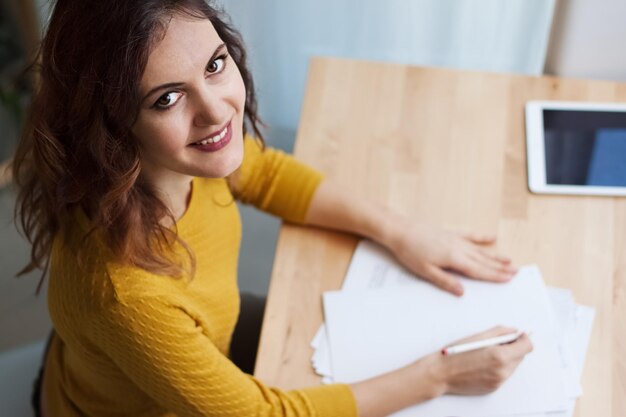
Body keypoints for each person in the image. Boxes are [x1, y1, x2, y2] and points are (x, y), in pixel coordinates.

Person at [12, 1, 532, 416]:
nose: (216, 113)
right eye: (167, 99)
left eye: (215, 65)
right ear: (107, 126)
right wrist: (440, 376)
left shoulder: (175, 160)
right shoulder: (123, 295)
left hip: (196, 342)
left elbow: (266, 173)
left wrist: (400, 231)